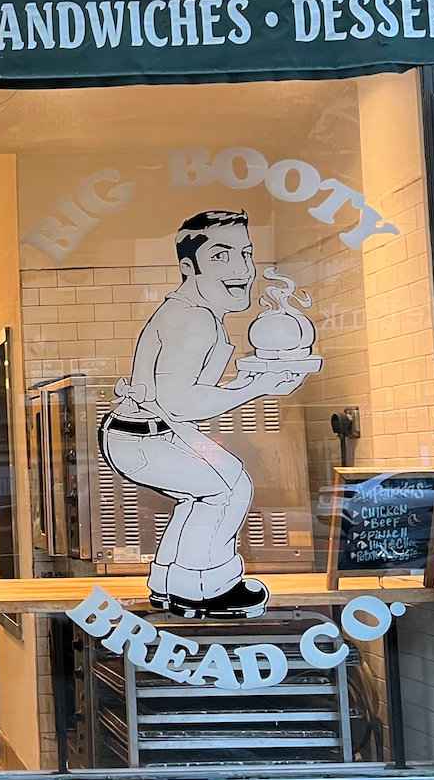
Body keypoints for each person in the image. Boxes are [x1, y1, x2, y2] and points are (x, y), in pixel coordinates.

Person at [100, 210, 308, 620]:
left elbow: (181, 397)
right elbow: (181, 402)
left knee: (212, 490)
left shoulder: (195, 313)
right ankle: (205, 588)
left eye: (246, 254)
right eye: (221, 256)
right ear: (187, 267)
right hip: (146, 435)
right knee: (226, 491)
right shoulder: (194, 320)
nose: (241, 269)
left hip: (148, 432)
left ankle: (169, 584)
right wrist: (256, 386)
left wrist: (250, 382)